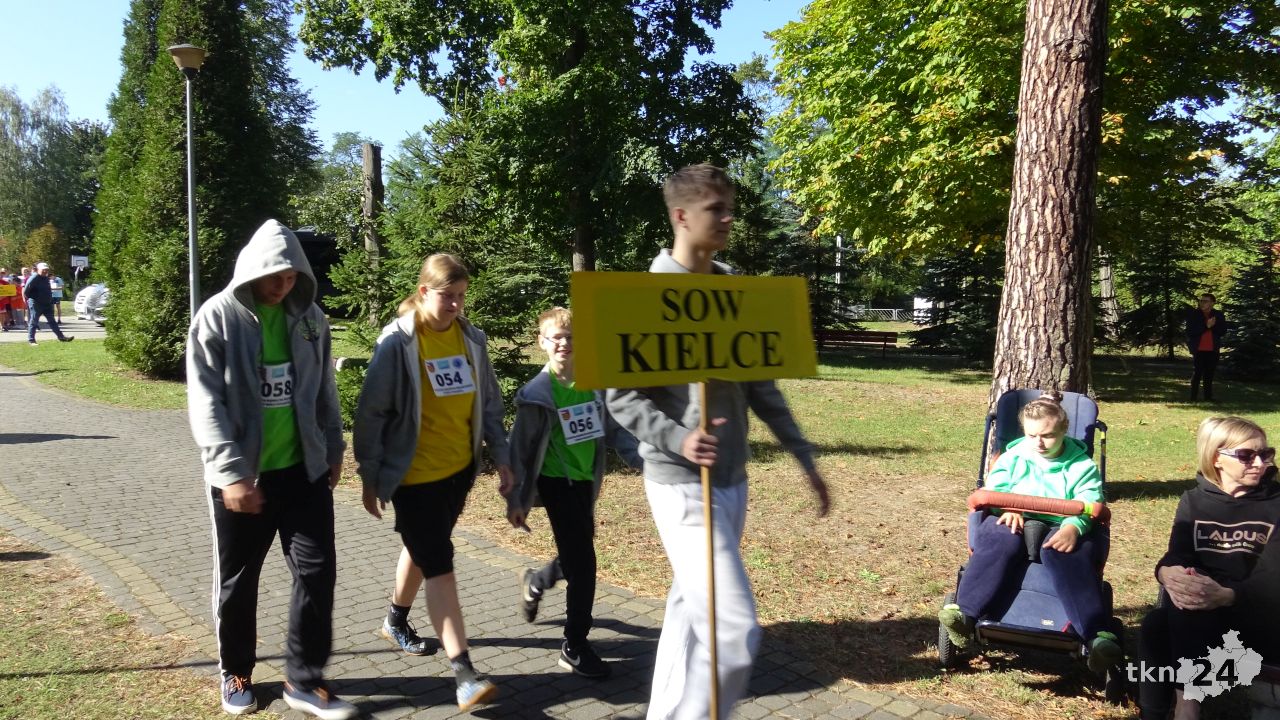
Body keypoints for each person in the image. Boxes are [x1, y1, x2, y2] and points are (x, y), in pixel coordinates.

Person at [606, 163, 831, 720]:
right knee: (733, 632)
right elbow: (621, 398)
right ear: (682, 216)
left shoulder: (733, 290)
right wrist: (679, 438)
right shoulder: (642, 295)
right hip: (681, 485)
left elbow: (763, 388)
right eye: (716, 209)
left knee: (690, 609)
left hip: (732, 482)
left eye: (730, 208)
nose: (729, 218)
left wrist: (805, 459)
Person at [186, 220, 355, 719]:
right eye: (275, 275)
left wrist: (334, 447)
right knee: (239, 582)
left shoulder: (311, 319)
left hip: (303, 472)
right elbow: (205, 402)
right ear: (253, 269)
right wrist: (231, 472)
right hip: (243, 478)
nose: (283, 285)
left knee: (317, 573)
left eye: (291, 276)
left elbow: (324, 390)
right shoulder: (218, 317)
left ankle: (303, 679)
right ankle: (236, 671)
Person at [353, 253, 513, 712]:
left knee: (424, 548)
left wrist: (502, 458)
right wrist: (369, 475)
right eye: (448, 296)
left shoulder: (471, 339)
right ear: (424, 292)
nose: (456, 305)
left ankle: (395, 620)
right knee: (440, 565)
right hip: (415, 476)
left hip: (458, 472)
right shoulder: (398, 344)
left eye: (462, 296)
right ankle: (464, 672)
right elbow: (371, 413)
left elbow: (489, 404)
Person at [938, 392, 1123, 672]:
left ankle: (1096, 636)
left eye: (1047, 436)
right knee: (999, 539)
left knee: (1066, 552)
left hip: (1061, 523)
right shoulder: (1013, 456)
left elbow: (1090, 501)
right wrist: (1007, 506)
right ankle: (964, 616)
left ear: (1063, 430)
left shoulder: (1081, 466)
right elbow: (996, 487)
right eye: (1031, 435)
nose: (1038, 442)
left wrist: (1074, 526)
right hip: (1013, 516)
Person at [506, 307, 641, 679]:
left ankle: (537, 580)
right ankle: (574, 645)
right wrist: (515, 499)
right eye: (556, 338)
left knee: (578, 549)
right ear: (542, 343)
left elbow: (615, 429)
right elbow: (519, 449)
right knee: (584, 564)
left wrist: (641, 460)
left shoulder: (593, 384)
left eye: (570, 337)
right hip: (555, 481)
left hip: (585, 480)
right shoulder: (537, 394)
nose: (564, 343)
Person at [1136, 416, 1279, 720]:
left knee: (1191, 602)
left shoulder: (1276, 504)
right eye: (1246, 455)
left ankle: (1187, 706)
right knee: (1156, 624)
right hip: (1204, 612)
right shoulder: (1194, 500)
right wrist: (1166, 573)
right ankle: (1155, 713)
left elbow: (1273, 578)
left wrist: (1226, 595)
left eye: (1265, 454)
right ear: (1216, 458)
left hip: (1260, 613)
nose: (1259, 463)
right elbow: (1178, 554)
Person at [1186, 293, 1226, 402]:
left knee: (1209, 374)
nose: (1202, 303)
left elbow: (1222, 331)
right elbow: (1190, 331)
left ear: (1212, 303)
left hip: (1212, 349)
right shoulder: (1194, 314)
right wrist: (1206, 326)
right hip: (1199, 349)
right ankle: (1193, 398)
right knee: (1197, 373)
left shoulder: (1218, 315)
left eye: (1205, 301)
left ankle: (1208, 397)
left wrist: (1213, 326)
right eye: (1201, 301)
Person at [22, 262, 73, 345]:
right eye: (43, 270)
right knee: (34, 322)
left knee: (52, 321)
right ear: (38, 270)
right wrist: (34, 299)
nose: (45, 271)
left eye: (46, 270)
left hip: (47, 304)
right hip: (36, 304)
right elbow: (26, 291)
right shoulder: (34, 278)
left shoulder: (45, 278)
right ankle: (31, 340)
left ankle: (61, 337)